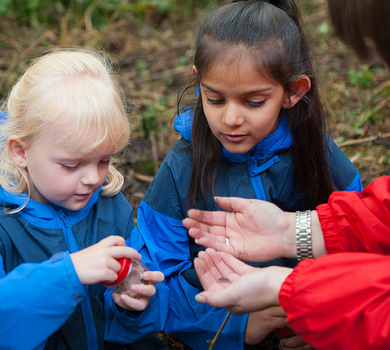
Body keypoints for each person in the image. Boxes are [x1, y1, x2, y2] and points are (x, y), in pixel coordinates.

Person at [136, 1, 363, 349]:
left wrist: (325, 312)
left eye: (253, 102)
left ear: (293, 91)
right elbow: (155, 275)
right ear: (199, 83)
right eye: (215, 99)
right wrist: (232, 327)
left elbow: (358, 244)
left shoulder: (317, 152)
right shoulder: (182, 167)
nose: (231, 118)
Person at [0, 49, 170, 350]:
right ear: (21, 152)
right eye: (71, 165)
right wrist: (66, 275)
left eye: (103, 160)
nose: (93, 178)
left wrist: (133, 303)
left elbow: (139, 310)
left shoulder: (110, 207)